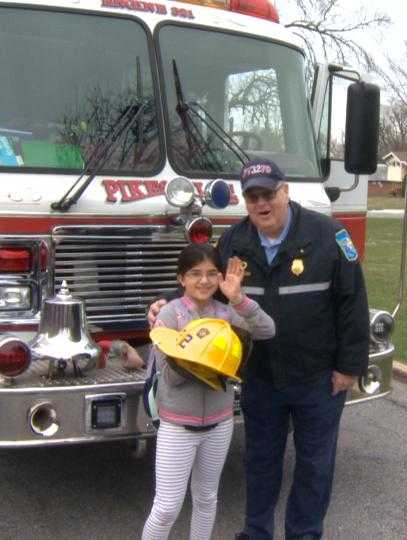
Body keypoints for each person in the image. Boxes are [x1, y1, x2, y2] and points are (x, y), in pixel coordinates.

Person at [147, 159, 370, 539]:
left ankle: (304, 535)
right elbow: (206, 282)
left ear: (285, 192)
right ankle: (256, 533)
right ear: (245, 201)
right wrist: (163, 302)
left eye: (269, 194)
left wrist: (349, 368)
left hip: (317, 377)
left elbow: (353, 304)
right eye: (253, 197)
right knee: (260, 463)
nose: (261, 204)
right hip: (261, 377)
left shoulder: (328, 236)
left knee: (315, 466)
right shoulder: (236, 241)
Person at [142, 243, 275, 540]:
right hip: (177, 425)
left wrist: (238, 298)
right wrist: (201, 350)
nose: (204, 281)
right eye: (195, 274)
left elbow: (267, 330)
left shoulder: (226, 315)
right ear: (181, 279)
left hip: (220, 422)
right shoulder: (169, 316)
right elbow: (172, 380)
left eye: (212, 274)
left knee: (206, 499)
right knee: (165, 508)